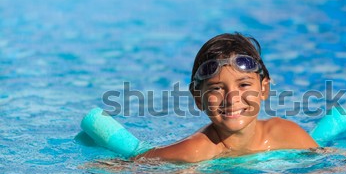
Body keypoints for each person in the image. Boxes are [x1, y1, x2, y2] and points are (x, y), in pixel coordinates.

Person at [135, 33, 318, 163]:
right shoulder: (195, 152)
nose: (231, 99)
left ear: (264, 89)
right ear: (198, 99)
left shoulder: (284, 133)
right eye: (217, 88)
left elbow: (331, 165)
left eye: (244, 85)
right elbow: (129, 168)